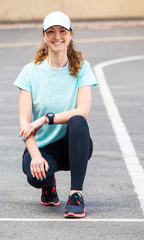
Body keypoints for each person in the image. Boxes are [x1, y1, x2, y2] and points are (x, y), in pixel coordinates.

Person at [14, 11, 97, 218]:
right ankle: (49, 184)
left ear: (70, 35)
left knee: (78, 121)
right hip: (43, 147)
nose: (56, 36)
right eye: (51, 31)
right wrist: (34, 156)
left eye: (62, 31)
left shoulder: (82, 68)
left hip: (73, 145)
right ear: (44, 36)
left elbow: (83, 112)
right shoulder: (30, 72)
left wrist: (45, 119)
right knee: (36, 177)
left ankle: (76, 196)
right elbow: (24, 123)